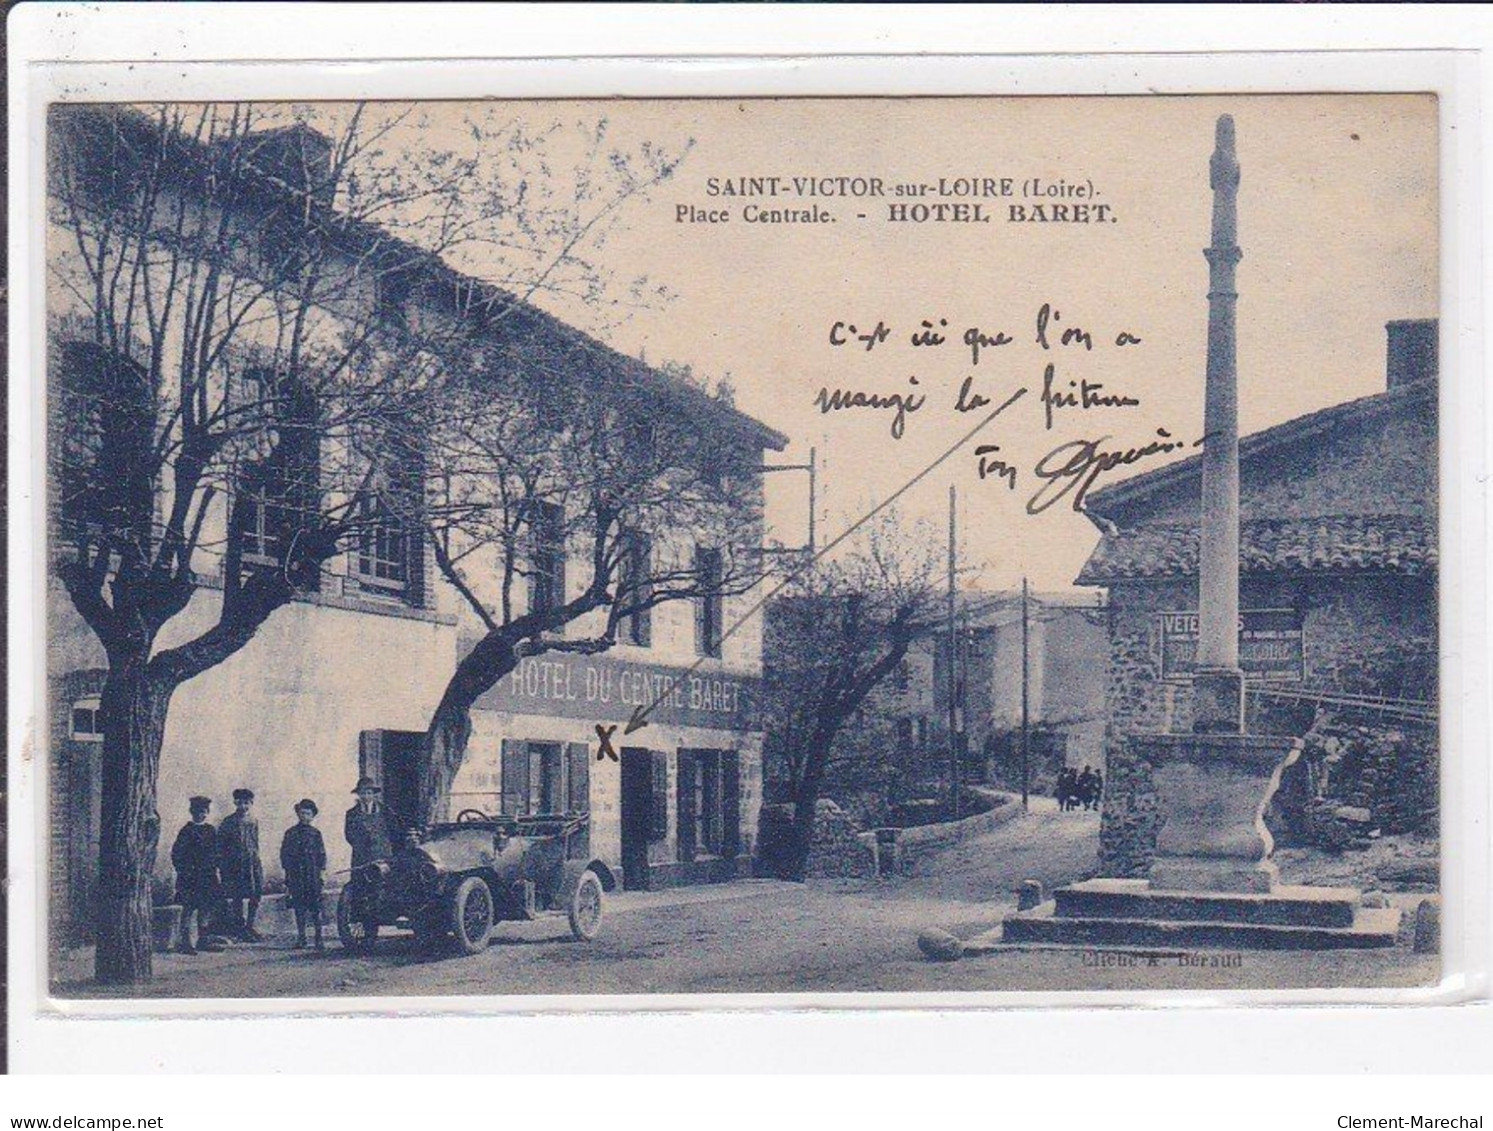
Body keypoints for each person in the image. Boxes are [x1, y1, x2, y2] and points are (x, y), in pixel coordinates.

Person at [344, 777, 397, 947]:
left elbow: (394, 831)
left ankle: (378, 924)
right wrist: (362, 846)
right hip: (361, 858)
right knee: (362, 893)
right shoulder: (351, 814)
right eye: (363, 793)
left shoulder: (385, 811)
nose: (366, 796)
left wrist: (386, 849)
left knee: (381, 891)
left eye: (369, 793)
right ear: (358, 795)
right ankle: (367, 934)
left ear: (374, 795)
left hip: (382, 857)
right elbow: (349, 835)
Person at [170, 796, 219, 955]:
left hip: (207, 875)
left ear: (208, 813)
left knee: (205, 907)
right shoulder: (186, 831)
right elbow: (177, 854)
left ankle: (203, 940)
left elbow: (217, 851)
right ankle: (185, 942)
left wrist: (215, 865)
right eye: (198, 812)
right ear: (192, 812)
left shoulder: (211, 830)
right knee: (189, 908)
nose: (201, 815)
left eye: (204, 812)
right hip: (190, 877)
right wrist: (184, 870)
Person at [218, 788, 266, 942]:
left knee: (255, 893)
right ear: (235, 803)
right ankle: (240, 927)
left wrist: (256, 859)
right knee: (237, 895)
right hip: (235, 863)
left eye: (246, 803)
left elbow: (255, 842)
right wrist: (224, 865)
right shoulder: (228, 822)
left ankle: (250, 925)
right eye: (239, 802)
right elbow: (221, 845)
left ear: (251, 803)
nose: (243, 806)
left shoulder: (253, 821)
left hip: (251, 862)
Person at [280, 799, 327, 949]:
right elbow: (284, 854)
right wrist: (287, 874)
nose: (304, 816)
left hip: (312, 875)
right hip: (296, 876)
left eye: (308, 813)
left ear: (312, 816)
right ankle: (302, 938)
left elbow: (321, 854)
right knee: (299, 908)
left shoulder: (315, 834)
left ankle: (319, 939)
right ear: (298, 814)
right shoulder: (291, 833)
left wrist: (322, 872)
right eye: (302, 813)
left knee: (315, 909)